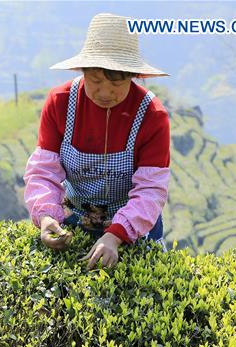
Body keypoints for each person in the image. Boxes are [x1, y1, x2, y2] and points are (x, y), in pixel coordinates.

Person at [23, 12, 171, 269]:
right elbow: (43, 171)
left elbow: (151, 189)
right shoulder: (60, 102)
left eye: (117, 83)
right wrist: (47, 216)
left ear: (132, 75)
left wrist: (116, 235)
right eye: (95, 80)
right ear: (83, 70)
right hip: (74, 218)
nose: (105, 93)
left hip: (132, 227)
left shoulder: (151, 116)